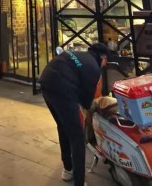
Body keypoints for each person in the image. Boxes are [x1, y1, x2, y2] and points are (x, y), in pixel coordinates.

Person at [39, 43, 109, 186]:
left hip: (46, 82)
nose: (105, 65)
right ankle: (79, 181)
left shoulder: (79, 55)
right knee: (77, 137)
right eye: (106, 61)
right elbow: (86, 103)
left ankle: (67, 169)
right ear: (103, 58)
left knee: (63, 126)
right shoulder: (94, 68)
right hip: (62, 90)